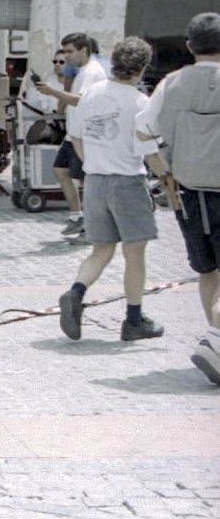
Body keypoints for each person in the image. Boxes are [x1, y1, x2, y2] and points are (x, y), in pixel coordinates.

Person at [58, 37, 164, 342]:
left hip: (95, 180)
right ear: (142, 68)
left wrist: (92, 162)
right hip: (127, 180)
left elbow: (76, 136)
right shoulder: (140, 102)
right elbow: (149, 150)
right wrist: (167, 179)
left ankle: (76, 293)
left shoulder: (91, 93)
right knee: (135, 253)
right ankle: (133, 319)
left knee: (101, 250)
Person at [136, 12, 220, 385]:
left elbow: (142, 130)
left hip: (187, 190)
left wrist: (163, 171)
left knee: (207, 271)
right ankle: (216, 344)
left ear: (189, 47)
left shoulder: (172, 83)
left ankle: (214, 339)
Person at [36, 33, 108, 239]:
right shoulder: (82, 70)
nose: (66, 57)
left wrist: (52, 92)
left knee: (88, 181)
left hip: (85, 136)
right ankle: (77, 216)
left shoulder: (92, 72)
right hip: (73, 134)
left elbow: (80, 101)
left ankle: (92, 226)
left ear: (83, 50)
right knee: (60, 170)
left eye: (69, 52)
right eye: (64, 52)